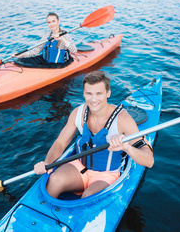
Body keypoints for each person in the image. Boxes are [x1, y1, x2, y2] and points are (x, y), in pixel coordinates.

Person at [34, 71, 154, 199]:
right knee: (55, 179)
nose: (93, 99)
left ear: (108, 93)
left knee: (88, 197)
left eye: (99, 94)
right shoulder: (78, 113)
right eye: (89, 93)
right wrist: (47, 163)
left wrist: (127, 147)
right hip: (80, 166)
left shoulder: (123, 119)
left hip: (106, 175)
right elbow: (60, 143)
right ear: (84, 94)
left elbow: (149, 161)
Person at [12, 12, 77, 68]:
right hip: (45, 61)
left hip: (58, 65)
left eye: (53, 21)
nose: (51, 24)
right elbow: (35, 51)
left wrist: (63, 39)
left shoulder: (65, 35)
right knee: (22, 61)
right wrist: (20, 55)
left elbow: (74, 50)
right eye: (49, 22)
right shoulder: (46, 35)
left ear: (58, 21)